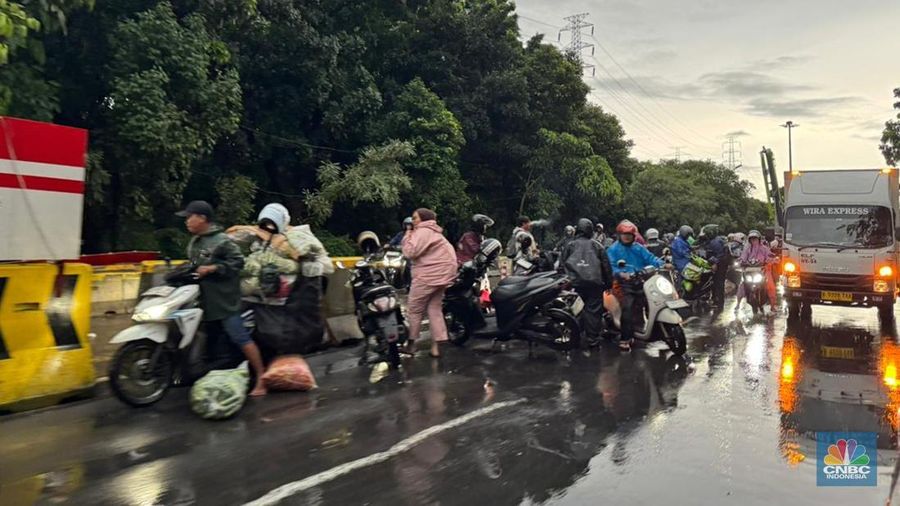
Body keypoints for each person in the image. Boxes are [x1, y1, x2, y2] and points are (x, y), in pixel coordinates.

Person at [177, 200, 268, 397]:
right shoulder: (195, 241)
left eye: (189, 217)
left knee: (239, 336)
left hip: (224, 301)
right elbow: (193, 264)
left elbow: (238, 262)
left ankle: (261, 376)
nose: (187, 221)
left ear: (202, 218)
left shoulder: (222, 240)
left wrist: (212, 268)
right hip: (202, 300)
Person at [403, 208, 458, 358]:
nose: (413, 221)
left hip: (427, 276)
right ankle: (436, 347)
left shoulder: (422, 232)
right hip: (443, 276)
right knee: (434, 309)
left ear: (423, 219)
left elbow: (409, 252)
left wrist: (408, 233)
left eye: (415, 218)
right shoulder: (436, 233)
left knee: (414, 310)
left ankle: (411, 345)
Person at [606, 220, 665, 351]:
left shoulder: (638, 247)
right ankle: (625, 338)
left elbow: (651, 258)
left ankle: (656, 332)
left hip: (642, 281)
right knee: (628, 308)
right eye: (624, 234)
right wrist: (621, 274)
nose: (627, 237)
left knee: (655, 302)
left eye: (629, 234)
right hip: (624, 284)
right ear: (619, 235)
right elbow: (610, 266)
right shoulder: (613, 249)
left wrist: (663, 264)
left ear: (634, 236)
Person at [560, 219, 613, 346]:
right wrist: (608, 284)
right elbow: (606, 266)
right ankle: (592, 339)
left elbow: (562, 265)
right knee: (593, 312)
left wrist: (564, 281)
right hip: (594, 284)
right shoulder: (598, 246)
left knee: (573, 310)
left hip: (574, 284)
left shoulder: (570, 246)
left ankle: (572, 335)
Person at [735, 230, 778, 313]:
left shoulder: (764, 248)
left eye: (755, 239)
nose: (753, 241)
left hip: (763, 270)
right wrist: (740, 261)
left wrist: (772, 260)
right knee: (742, 286)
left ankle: (773, 306)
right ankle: (738, 303)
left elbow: (770, 256)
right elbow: (743, 257)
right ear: (749, 240)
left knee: (770, 287)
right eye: (752, 239)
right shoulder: (747, 249)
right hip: (749, 272)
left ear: (759, 239)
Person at [701, 224, 729, 309]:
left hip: (719, 266)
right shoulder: (716, 240)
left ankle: (719, 302)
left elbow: (719, 255)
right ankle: (717, 301)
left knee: (718, 284)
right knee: (717, 283)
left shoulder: (716, 242)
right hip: (721, 265)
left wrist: (715, 264)